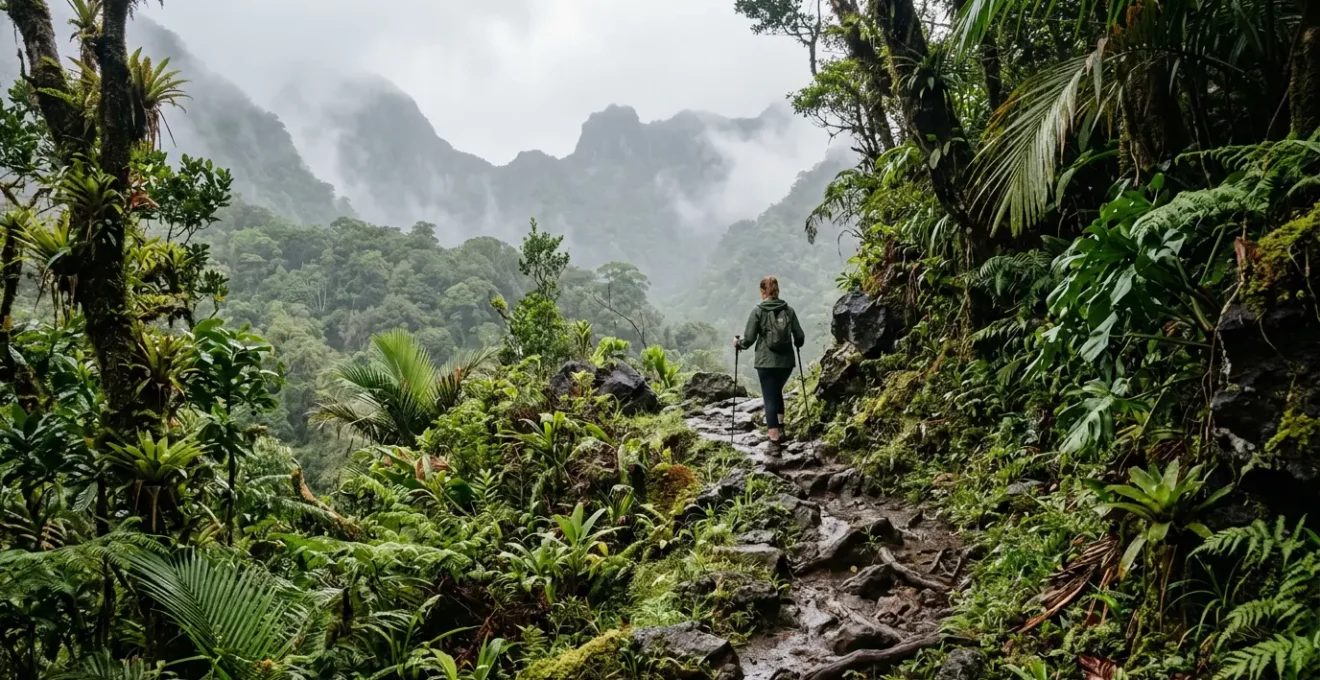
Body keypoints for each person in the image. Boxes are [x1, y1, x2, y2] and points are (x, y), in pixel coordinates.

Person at [733, 275, 805, 444]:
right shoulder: (789, 310)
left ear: (762, 292)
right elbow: (800, 336)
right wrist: (798, 344)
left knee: (769, 397)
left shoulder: (758, 311)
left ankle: (774, 439)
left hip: (765, 362)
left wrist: (738, 344)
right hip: (786, 363)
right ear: (777, 290)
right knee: (776, 392)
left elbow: (749, 339)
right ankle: (780, 426)